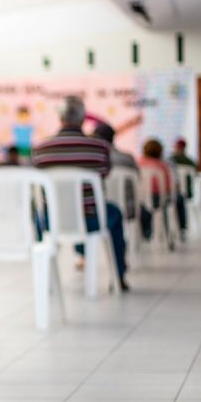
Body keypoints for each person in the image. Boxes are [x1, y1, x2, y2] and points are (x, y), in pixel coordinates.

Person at [32, 96, 129, 291]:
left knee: (38, 213)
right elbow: (104, 173)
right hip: (91, 219)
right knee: (115, 212)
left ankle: (45, 278)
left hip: (52, 220)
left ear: (60, 118)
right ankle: (118, 276)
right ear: (83, 119)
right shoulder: (99, 147)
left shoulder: (41, 149)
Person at [137, 138, 180, 244]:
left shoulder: (139, 163)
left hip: (141, 199)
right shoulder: (164, 166)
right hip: (159, 198)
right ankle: (164, 232)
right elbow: (168, 186)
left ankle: (145, 232)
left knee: (143, 208)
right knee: (162, 209)